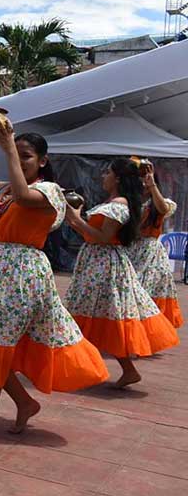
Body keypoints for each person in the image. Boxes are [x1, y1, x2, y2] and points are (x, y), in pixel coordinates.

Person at [0, 126, 108, 443]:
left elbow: (23, 197)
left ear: (42, 161)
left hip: (21, 275)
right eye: (15, 153)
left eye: (25, 155)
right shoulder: (3, 189)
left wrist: (7, 149)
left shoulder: (51, 191)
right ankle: (25, 402)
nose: (17, 159)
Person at [64, 158, 179, 388]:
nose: (102, 177)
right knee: (97, 316)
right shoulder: (114, 202)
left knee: (95, 316)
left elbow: (105, 238)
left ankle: (88, 367)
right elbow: (95, 233)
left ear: (117, 177)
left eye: (107, 173)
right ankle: (112, 368)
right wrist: (75, 219)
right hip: (98, 263)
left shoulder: (119, 204)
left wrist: (77, 219)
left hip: (104, 265)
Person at [127, 161, 182, 328]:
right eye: (139, 178)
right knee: (130, 292)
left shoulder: (157, 202)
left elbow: (164, 209)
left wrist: (152, 185)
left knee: (146, 290)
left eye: (145, 177)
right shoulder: (130, 201)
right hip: (131, 250)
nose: (142, 181)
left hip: (150, 253)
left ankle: (149, 331)